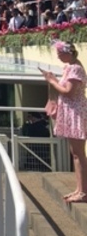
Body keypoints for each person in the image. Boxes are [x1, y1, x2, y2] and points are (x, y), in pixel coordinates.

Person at [41, 41, 87, 202]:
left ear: (68, 53)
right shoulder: (70, 67)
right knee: (76, 153)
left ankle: (83, 192)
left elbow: (69, 92)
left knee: (78, 154)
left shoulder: (75, 68)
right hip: (71, 112)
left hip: (75, 112)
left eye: (60, 53)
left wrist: (51, 80)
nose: (58, 56)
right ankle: (80, 189)